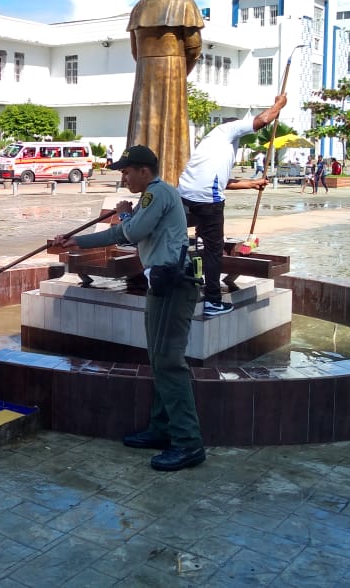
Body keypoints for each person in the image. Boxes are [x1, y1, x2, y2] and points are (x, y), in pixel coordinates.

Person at [53, 145, 204, 472]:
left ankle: (188, 442)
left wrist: (101, 228)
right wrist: (125, 215)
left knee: (168, 362)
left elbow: (132, 234)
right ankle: (162, 429)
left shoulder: (156, 193)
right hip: (163, 283)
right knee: (159, 358)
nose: (123, 176)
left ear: (144, 172)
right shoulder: (154, 195)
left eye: (126, 171)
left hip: (173, 284)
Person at [178, 94, 287, 316]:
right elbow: (264, 119)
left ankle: (177, 285)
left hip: (185, 195)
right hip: (208, 203)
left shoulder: (212, 143)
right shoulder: (229, 130)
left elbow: (221, 182)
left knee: (179, 239)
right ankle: (213, 301)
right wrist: (279, 104)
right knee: (213, 250)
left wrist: (252, 183)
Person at [126, 0, 204, 184]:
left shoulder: (139, 7)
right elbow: (194, 49)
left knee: (143, 125)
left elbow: (135, 52)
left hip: (145, 75)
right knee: (172, 128)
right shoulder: (186, 4)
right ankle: (170, 179)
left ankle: (139, 179)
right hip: (173, 71)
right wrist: (179, 73)